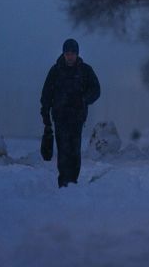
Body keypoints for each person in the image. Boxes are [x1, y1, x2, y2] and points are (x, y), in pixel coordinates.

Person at [40, 38, 101, 187]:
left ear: (77, 54)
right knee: (63, 151)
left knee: (74, 151)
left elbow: (96, 90)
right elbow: (46, 95)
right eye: (67, 53)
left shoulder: (85, 70)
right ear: (63, 54)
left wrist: (84, 99)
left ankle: (73, 180)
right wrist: (46, 116)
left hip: (77, 118)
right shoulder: (55, 71)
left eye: (72, 53)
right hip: (60, 117)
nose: (70, 56)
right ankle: (63, 182)